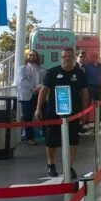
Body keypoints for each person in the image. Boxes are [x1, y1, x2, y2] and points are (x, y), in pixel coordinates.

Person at [35, 47, 89, 180]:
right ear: (61, 58)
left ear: (73, 57)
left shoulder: (79, 73)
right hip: (53, 112)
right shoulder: (52, 72)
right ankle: (51, 164)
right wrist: (38, 108)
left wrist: (84, 112)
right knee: (51, 140)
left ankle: (69, 166)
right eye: (64, 56)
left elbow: (85, 93)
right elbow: (44, 90)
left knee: (72, 141)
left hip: (73, 113)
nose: (67, 59)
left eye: (70, 56)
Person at [16, 50, 42, 145]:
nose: (32, 57)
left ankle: (46, 135)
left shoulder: (42, 69)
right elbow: (21, 80)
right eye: (30, 55)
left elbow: (45, 81)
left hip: (39, 95)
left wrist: (39, 88)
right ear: (27, 57)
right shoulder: (21, 69)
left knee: (42, 115)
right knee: (27, 117)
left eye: (34, 55)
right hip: (26, 96)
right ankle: (29, 138)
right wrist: (33, 88)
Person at [81, 51, 101, 133]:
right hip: (89, 87)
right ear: (91, 57)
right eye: (93, 55)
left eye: (96, 55)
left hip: (99, 88)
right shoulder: (86, 66)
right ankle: (85, 123)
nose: (95, 57)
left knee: (98, 106)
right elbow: (83, 77)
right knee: (87, 105)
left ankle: (98, 123)